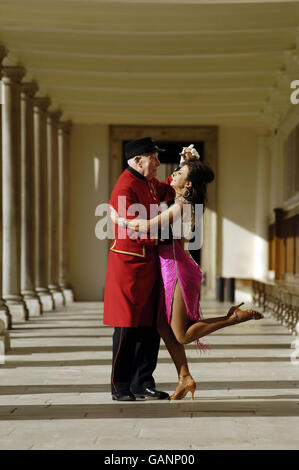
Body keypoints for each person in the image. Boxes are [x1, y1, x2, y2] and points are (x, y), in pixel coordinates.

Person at [110, 144, 264, 400]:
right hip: (172, 265)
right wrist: (188, 161)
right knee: (161, 324)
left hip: (178, 270)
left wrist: (118, 220)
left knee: (181, 333)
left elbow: (149, 226)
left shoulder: (180, 205)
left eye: (178, 173)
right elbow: (170, 185)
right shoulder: (181, 198)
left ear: (188, 185)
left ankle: (234, 318)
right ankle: (184, 377)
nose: (171, 177)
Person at [103, 136, 176, 401]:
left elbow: (169, 189)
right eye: (153, 158)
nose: (157, 162)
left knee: (149, 326)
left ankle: (142, 381)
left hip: (149, 263)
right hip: (129, 266)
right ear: (137, 160)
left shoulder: (147, 182)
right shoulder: (124, 187)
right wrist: (163, 236)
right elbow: (130, 229)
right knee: (126, 327)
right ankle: (120, 385)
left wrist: (185, 171)